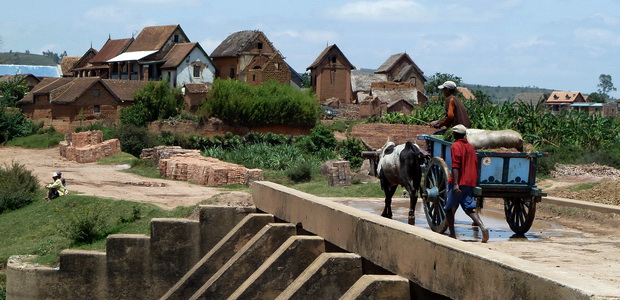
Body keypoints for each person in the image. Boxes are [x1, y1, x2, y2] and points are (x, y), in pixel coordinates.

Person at [444, 124, 489, 243]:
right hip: (470, 182)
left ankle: (452, 234)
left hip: (459, 182)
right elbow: (474, 163)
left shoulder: (455, 146)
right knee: (469, 209)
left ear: (455, 135)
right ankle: (483, 227)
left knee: (448, 208)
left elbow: (455, 166)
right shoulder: (470, 147)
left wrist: (455, 184)